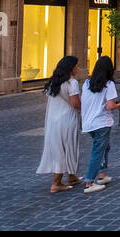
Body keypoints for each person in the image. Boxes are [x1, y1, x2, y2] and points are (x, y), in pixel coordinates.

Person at [79, 56, 120, 194]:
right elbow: (110, 106)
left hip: (89, 123)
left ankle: (102, 175)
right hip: (101, 122)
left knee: (105, 147)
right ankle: (89, 182)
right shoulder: (108, 84)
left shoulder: (87, 83)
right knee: (98, 151)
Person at [36, 55, 82, 192]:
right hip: (68, 119)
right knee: (67, 147)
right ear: (70, 68)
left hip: (54, 121)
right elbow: (75, 104)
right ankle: (56, 183)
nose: (78, 68)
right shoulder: (71, 83)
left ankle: (72, 176)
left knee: (60, 146)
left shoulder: (53, 82)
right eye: (76, 66)